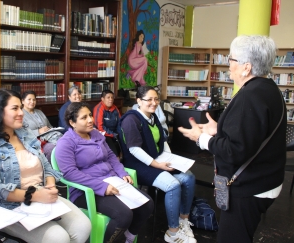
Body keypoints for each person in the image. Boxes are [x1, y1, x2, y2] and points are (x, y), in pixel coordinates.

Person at [178, 35, 286, 243]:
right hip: (266, 180)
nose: (228, 64)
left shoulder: (249, 96)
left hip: (249, 187)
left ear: (247, 67)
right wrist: (219, 129)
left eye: (231, 59)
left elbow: (234, 150)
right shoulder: (269, 89)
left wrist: (200, 139)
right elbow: (253, 134)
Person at [0, 89, 91, 243]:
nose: (21, 112)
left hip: (40, 194)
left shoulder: (25, 133)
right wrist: (35, 196)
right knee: (58, 237)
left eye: (21, 107)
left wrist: (51, 186)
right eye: (15, 108)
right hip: (9, 205)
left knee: (83, 226)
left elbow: (46, 166)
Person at [55, 102, 154, 243]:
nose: (90, 120)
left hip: (112, 181)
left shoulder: (95, 134)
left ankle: (128, 238)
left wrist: (122, 172)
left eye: (90, 115)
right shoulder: (66, 143)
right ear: (72, 122)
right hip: (86, 191)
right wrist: (101, 187)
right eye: (84, 118)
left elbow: (111, 156)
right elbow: (70, 173)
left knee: (147, 204)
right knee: (124, 215)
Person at [118, 86, 196, 243]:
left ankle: (183, 221)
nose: (154, 103)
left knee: (189, 177)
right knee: (173, 185)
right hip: (137, 164)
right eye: (149, 100)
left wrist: (171, 158)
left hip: (156, 160)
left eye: (156, 99)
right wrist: (157, 164)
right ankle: (173, 233)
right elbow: (134, 150)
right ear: (139, 101)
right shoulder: (130, 120)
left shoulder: (152, 117)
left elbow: (163, 142)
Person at [21, 90, 63, 160]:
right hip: (35, 141)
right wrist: (38, 131)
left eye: (34, 99)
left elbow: (49, 125)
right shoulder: (21, 114)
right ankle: (52, 168)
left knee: (65, 141)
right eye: (29, 99)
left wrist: (49, 129)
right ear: (22, 101)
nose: (32, 102)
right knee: (52, 148)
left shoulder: (39, 112)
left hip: (50, 136)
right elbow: (22, 133)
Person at [93, 89, 122, 157]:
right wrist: (113, 134)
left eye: (112, 97)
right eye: (108, 97)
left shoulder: (115, 108)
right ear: (102, 99)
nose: (111, 99)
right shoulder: (99, 108)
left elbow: (120, 122)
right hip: (104, 135)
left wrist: (119, 133)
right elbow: (100, 127)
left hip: (115, 133)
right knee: (114, 153)